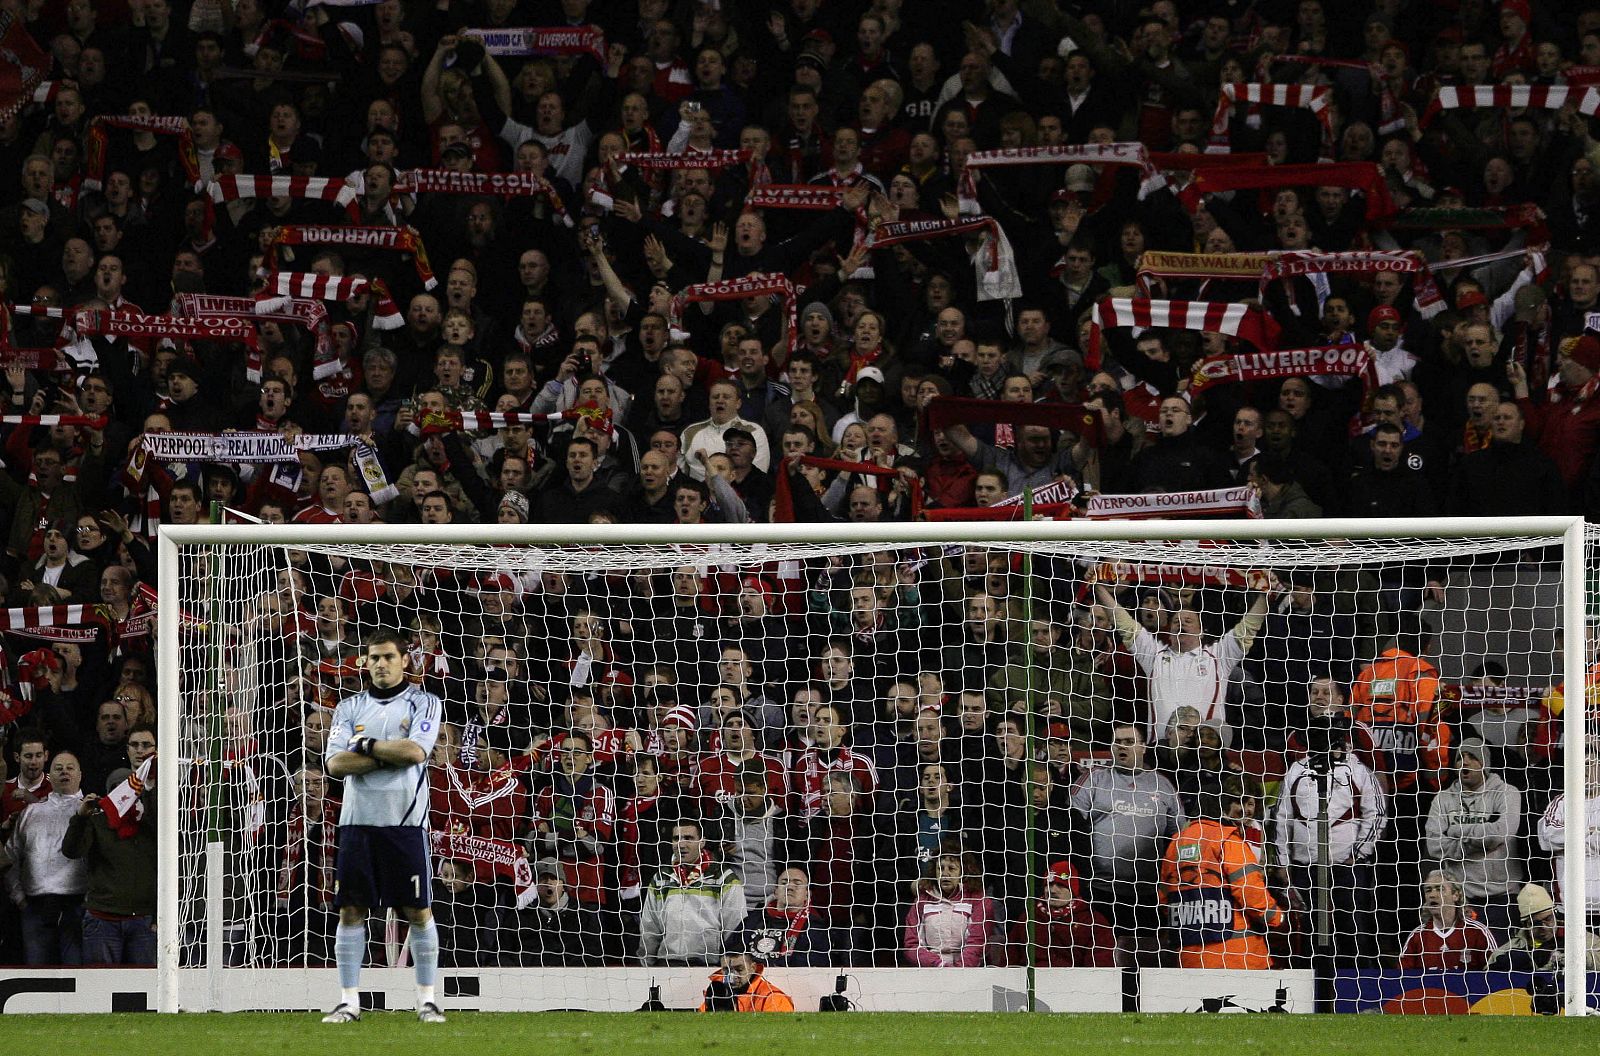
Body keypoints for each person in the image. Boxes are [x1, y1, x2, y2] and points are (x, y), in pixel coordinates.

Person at [321, 629, 446, 1024]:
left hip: (405, 824)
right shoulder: (348, 707)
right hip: (357, 824)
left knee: (417, 910)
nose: (380, 664)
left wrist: (366, 746)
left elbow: (415, 751)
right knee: (351, 910)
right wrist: (387, 754)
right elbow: (335, 765)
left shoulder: (425, 702)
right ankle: (348, 1002)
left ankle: (427, 1000)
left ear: (404, 660)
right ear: (364, 662)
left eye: (388, 657)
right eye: (373, 658)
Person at [1093, 572, 1273, 732]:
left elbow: (1249, 627)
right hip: (1161, 753)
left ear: (1201, 631)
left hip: (1204, 751)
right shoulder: (1154, 655)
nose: (1181, 623)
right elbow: (1123, 622)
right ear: (1169, 631)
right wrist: (1098, 586)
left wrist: (1265, 594)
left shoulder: (1219, 655)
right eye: (1176, 621)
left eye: (1188, 620)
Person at [1160, 775, 1285, 969]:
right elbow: (1249, 888)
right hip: (1237, 957)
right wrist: (1277, 918)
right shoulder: (1227, 839)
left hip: (1189, 959)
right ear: (1222, 807)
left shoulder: (1176, 842)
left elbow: (1165, 895)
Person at [1424, 738, 1524, 934]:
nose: (1465, 762)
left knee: (1500, 960)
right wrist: (1481, 842)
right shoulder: (1443, 799)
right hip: (1460, 900)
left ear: (1484, 763)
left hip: (1502, 897)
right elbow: (1434, 846)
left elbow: (1500, 833)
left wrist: (1455, 832)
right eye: (1460, 758)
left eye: (1472, 757)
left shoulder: (1506, 793)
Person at [61, 763, 157, 965]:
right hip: (102, 919)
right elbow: (72, 851)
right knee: (100, 988)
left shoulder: (148, 822)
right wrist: (80, 818)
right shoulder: (96, 820)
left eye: (129, 789)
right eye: (116, 789)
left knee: (146, 988)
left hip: (142, 920)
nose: (124, 796)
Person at [1, 751, 88, 965]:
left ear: (80, 775)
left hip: (76, 906)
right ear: (50, 775)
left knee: (74, 974)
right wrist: (20, 898)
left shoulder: (89, 811)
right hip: (35, 907)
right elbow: (11, 857)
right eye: (58, 768)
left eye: (70, 767)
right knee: (37, 976)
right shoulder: (31, 813)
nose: (64, 772)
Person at [639, 818, 747, 966]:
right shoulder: (661, 879)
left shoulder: (724, 878)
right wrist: (646, 965)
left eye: (689, 838)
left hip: (707, 966)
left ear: (702, 842)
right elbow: (649, 929)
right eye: (676, 838)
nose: (681, 844)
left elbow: (734, 930)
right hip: (666, 965)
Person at [1003, 860, 1117, 967]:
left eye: (1060, 885)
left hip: (1075, 984)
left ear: (1073, 890)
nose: (1052, 890)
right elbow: (1009, 960)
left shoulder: (1092, 921)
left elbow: (1101, 966)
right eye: (1049, 885)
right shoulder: (1028, 918)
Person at [1397, 871, 1496, 970]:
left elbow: (1496, 971)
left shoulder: (1478, 932)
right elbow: (1401, 976)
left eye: (1439, 889)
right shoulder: (1417, 936)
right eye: (1428, 890)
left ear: (1455, 895)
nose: (1432, 895)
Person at [697, 932, 795, 1012]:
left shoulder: (773, 999)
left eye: (739, 969)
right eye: (726, 970)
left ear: (753, 967)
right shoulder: (717, 993)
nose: (732, 976)